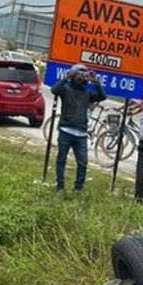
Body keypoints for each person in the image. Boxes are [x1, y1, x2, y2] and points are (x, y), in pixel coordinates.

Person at [50, 64, 106, 193]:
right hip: (65, 130)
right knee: (61, 159)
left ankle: (78, 188)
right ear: (73, 75)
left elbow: (102, 96)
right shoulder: (65, 89)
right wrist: (67, 77)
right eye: (78, 74)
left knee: (83, 162)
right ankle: (60, 186)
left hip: (81, 133)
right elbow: (54, 90)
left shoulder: (87, 93)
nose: (81, 78)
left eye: (83, 75)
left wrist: (95, 81)